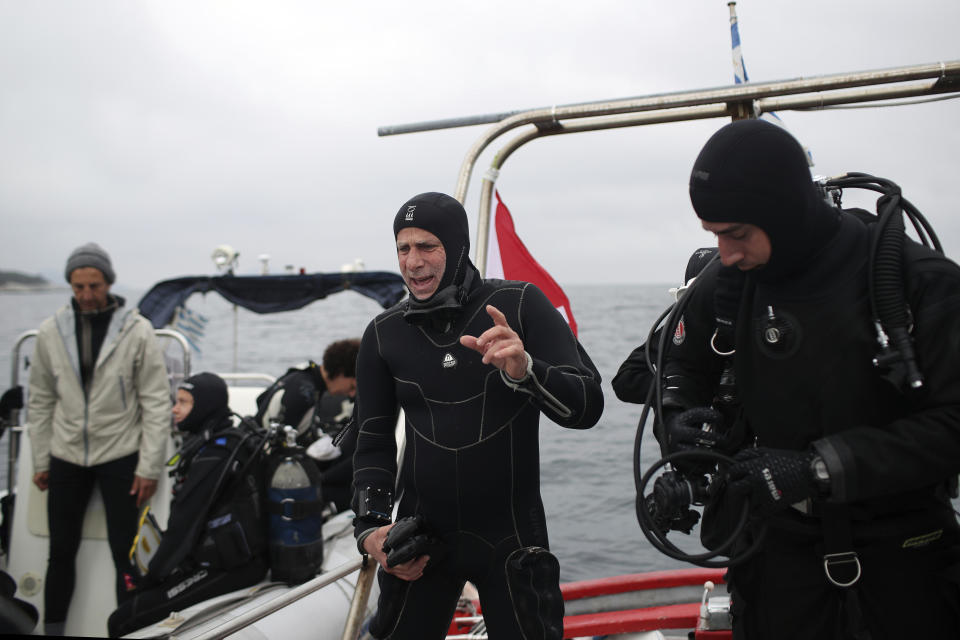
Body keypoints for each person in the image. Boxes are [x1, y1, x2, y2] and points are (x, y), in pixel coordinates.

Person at [658, 118, 960, 638]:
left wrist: (819, 469)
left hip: (903, 562)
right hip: (776, 563)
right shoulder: (730, 285)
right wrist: (682, 422)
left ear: (784, 213)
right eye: (713, 236)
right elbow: (681, 369)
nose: (724, 254)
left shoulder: (916, 284)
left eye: (737, 234)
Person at [351, 192, 604, 639]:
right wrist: (370, 528)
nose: (413, 261)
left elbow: (587, 406)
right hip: (419, 541)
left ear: (457, 246)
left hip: (510, 538)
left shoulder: (519, 304)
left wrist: (526, 371)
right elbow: (372, 441)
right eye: (403, 248)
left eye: (427, 246)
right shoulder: (384, 334)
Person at [27, 242, 172, 635]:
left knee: (125, 556)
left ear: (108, 282)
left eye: (94, 285)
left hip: (121, 454)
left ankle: (127, 630)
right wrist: (42, 459)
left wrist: (148, 466)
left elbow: (156, 402)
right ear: (70, 286)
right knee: (60, 554)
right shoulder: (50, 333)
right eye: (78, 287)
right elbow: (39, 402)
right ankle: (54, 630)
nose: (86, 295)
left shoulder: (136, 330)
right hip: (66, 454)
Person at [107, 372, 268, 637]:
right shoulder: (221, 440)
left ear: (204, 407)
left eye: (184, 402)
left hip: (231, 567)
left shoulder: (216, 454)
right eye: (176, 400)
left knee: (123, 619)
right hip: (221, 558)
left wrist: (150, 579)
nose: (175, 408)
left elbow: (184, 524)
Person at [254, 338, 361, 512]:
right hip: (268, 475)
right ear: (341, 373)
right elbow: (275, 449)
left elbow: (260, 400)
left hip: (261, 456)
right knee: (347, 492)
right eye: (352, 386)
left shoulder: (301, 375)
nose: (351, 394)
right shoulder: (306, 395)